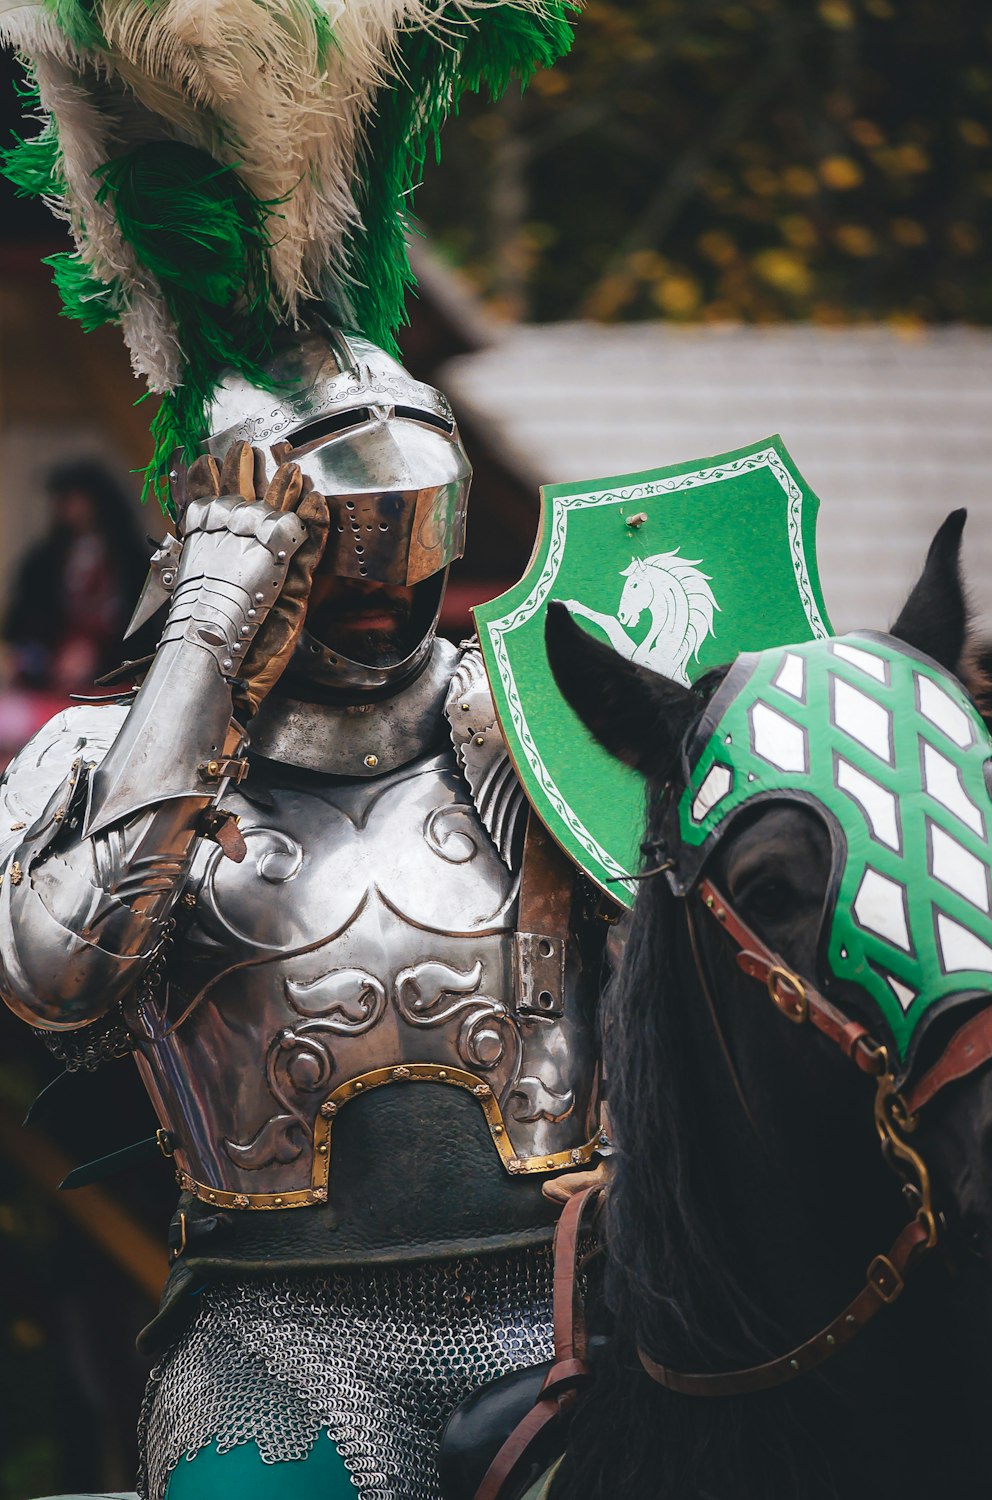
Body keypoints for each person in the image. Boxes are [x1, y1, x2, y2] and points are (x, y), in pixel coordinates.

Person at [0, 327, 609, 1500]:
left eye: (413, 544)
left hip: (572, 1316)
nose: (384, 594)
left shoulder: (535, 722)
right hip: (276, 1347)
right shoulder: (95, 756)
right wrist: (204, 638)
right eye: (347, 556)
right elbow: (52, 980)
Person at [3, 460, 150, 694]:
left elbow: (143, 625)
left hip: (112, 672)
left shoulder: (131, 560)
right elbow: (24, 621)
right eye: (64, 501)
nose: (71, 510)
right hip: (50, 673)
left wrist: (99, 655)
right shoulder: (44, 559)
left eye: (77, 500)